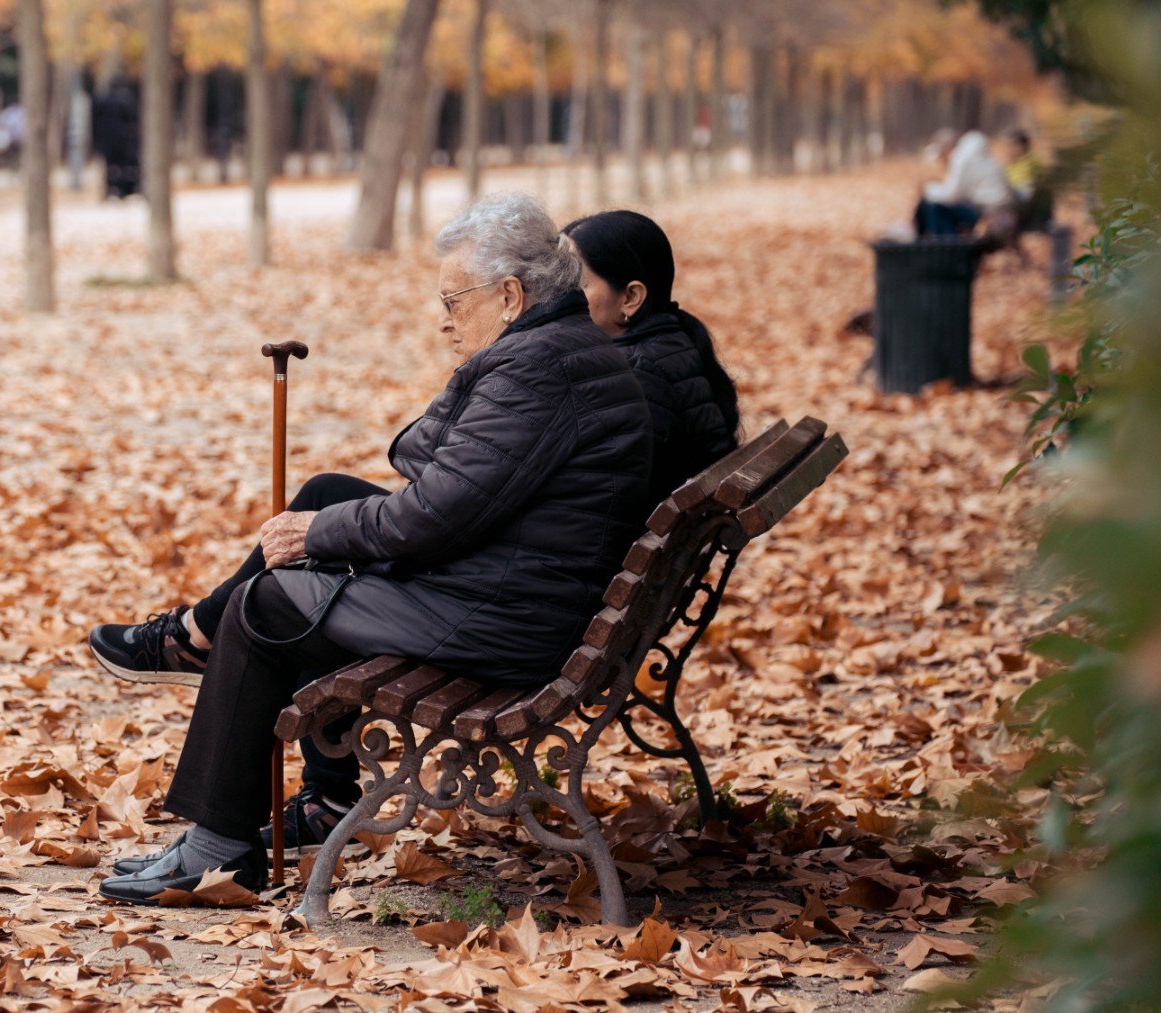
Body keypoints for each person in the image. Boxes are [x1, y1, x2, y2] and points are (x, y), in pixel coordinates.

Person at [89, 192, 654, 902]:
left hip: (505, 616)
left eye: (455, 298)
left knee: (268, 604)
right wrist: (340, 515)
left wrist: (317, 536)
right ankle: (199, 648)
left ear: (510, 294)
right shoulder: (556, 349)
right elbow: (420, 453)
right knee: (327, 494)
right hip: (520, 588)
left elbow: (435, 513)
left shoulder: (535, 369)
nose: (444, 317)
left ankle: (217, 847)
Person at [563, 210, 739, 506]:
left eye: (576, 284)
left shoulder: (633, 376)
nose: (557, 297)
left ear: (631, 297)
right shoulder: (672, 345)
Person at [914, 129, 1013, 238]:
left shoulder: (961, 158)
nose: (941, 160)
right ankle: (935, 242)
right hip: (996, 208)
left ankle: (945, 247)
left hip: (988, 212)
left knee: (934, 207)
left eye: (941, 153)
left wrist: (929, 190)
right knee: (934, 204)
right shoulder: (975, 155)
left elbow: (951, 196)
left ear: (947, 148)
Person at [92, 76, 141, 200]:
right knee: (126, 167)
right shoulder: (127, 100)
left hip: (108, 141)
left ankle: (112, 189)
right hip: (124, 141)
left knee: (111, 166)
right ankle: (126, 189)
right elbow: (132, 120)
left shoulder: (103, 100)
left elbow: (96, 122)